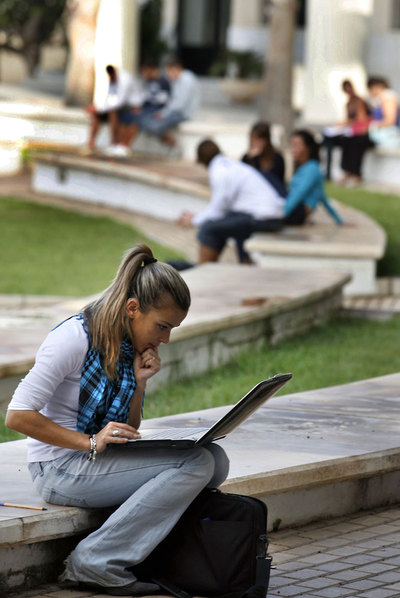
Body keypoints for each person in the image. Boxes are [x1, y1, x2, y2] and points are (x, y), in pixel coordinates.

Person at [6, 244, 229, 596]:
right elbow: (17, 415)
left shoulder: (126, 346)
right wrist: (90, 441)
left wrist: (139, 384)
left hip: (93, 459)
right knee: (196, 464)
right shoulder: (73, 338)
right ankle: (95, 561)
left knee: (215, 461)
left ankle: (152, 552)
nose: (165, 339)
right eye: (162, 326)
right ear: (132, 309)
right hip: (58, 468)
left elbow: (128, 429)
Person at [178, 139, 285, 264]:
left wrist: (194, 220)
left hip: (264, 218)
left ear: (201, 159)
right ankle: (209, 267)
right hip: (268, 216)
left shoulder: (219, 171)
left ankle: (203, 270)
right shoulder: (229, 165)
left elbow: (218, 210)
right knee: (220, 225)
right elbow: (221, 208)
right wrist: (198, 217)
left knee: (209, 228)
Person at [340, 76, 400, 185]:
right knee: (349, 139)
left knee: (358, 141)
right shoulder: (379, 100)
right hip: (378, 132)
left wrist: (370, 126)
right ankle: (348, 171)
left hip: (388, 134)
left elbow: (390, 121)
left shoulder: (388, 97)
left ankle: (355, 173)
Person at [285, 130, 344, 226]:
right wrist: (339, 220)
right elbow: (322, 197)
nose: (293, 149)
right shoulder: (305, 168)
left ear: (308, 148)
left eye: (296, 145)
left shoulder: (312, 169)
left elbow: (298, 194)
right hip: (294, 210)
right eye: (292, 145)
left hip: (297, 211)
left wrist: (282, 214)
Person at [138, 58, 200, 147]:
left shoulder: (186, 80)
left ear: (176, 69)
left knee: (152, 126)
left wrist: (163, 113)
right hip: (178, 111)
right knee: (147, 122)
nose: (167, 75)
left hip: (183, 113)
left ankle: (174, 144)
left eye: (168, 71)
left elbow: (179, 105)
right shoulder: (181, 79)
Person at [322, 80, 371, 182]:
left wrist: (345, 123)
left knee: (354, 143)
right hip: (352, 131)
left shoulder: (359, 101)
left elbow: (361, 118)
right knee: (343, 141)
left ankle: (355, 173)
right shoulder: (348, 103)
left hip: (362, 131)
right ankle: (345, 171)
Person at [86, 64, 143, 151]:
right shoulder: (111, 80)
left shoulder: (125, 79)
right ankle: (91, 142)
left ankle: (113, 143)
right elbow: (107, 98)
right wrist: (97, 108)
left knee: (112, 113)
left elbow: (120, 101)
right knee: (97, 115)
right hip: (117, 107)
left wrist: (100, 108)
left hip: (130, 107)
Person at [118, 61, 171, 149]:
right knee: (125, 117)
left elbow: (163, 101)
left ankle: (124, 146)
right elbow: (144, 98)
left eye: (145, 72)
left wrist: (162, 112)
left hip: (155, 110)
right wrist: (139, 107)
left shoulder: (163, 81)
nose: (144, 74)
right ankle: (119, 144)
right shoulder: (148, 81)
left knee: (136, 121)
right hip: (146, 109)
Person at [242, 121, 287, 197]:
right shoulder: (247, 158)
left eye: (259, 140)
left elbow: (277, 181)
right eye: (253, 139)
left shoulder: (277, 158)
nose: (255, 143)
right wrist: (251, 160)